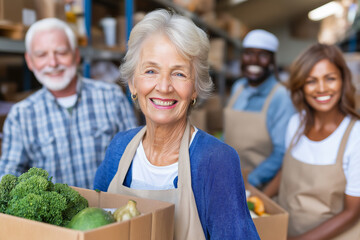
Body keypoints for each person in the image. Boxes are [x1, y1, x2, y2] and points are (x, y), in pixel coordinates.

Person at [94, 9, 259, 240]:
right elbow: (94, 225)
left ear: (195, 89)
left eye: (179, 74)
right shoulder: (118, 149)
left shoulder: (216, 160)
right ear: (132, 83)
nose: (163, 86)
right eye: (150, 71)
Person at [0, 18, 137, 189]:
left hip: (109, 212)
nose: (53, 63)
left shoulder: (111, 97)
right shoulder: (21, 115)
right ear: (30, 61)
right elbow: (7, 177)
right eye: (42, 55)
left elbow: (134, 157)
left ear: (76, 55)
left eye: (61, 52)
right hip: (51, 216)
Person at [263, 43, 360, 239]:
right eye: (311, 81)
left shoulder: (355, 135)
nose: (322, 89)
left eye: (330, 78)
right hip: (286, 229)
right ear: (301, 85)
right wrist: (256, 202)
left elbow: (352, 213)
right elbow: (287, 171)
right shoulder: (295, 123)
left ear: (343, 80)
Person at [224, 29, 295, 187]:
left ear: (272, 61)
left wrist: (250, 180)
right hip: (227, 178)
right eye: (248, 54)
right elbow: (228, 135)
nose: (254, 61)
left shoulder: (280, 96)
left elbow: (281, 152)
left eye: (262, 55)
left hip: (259, 186)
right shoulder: (238, 88)